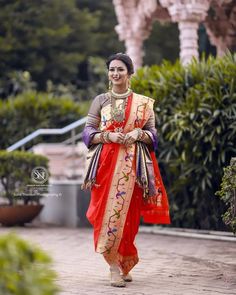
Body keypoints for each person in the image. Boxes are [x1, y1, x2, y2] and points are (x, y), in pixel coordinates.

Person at [82, 53, 170, 287]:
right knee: (105, 216)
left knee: (128, 218)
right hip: (105, 167)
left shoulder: (143, 103)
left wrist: (138, 134)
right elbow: (87, 133)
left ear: (130, 73)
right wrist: (107, 135)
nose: (115, 74)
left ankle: (124, 262)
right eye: (112, 69)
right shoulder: (100, 100)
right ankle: (112, 267)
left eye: (120, 69)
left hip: (133, 168)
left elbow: (153, 135)